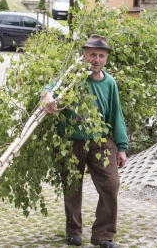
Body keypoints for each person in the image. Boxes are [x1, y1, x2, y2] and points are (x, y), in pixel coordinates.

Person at [41, 34, 128, 248]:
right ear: (83, 56)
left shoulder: (110, 83)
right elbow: (50, 88)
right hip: (72, 141)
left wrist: (122, 147)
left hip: (101, 141)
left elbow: (116, 114)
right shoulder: (73, 77)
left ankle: (103, 235)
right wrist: (46, 96)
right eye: (92, 55)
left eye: (100, 55)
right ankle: (73, 230)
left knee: (110, 184)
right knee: (71, 185)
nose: (96, 59)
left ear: (105, 59)